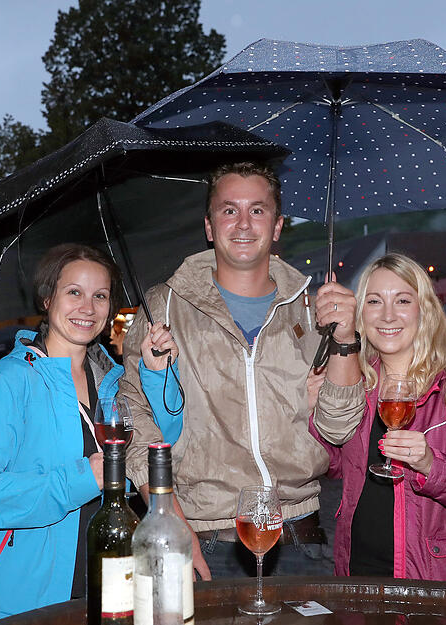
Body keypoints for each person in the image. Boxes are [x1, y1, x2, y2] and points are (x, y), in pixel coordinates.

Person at [120, 161, 365, 580]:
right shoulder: (163, 306)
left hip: (300, 541)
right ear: (210, 226)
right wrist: (169, 516)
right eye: (229, 210)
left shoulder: (314, 308)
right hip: (205, 539)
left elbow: (340, 428)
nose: (244, 224)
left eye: (258, 210)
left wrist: (345, 337)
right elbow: (134, 421)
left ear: (278, 225)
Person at [0, 243, 180, 625]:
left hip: (110, 582)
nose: (87, 308)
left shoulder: (113, 382)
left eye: (100, 296)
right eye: (74, 292)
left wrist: (157, 375)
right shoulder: (7, 383)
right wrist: (78, 480)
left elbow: (163, 443)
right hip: (24, 597)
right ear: (47, 297)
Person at [310, 253, 446, 582]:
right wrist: (318, 410)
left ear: (423, 310)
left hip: (432, 579)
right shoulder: (355, 382)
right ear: (360, 313)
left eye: (402, 300)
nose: (388, 315)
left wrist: (431, 464)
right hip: (358, 568)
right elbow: (334, 466)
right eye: (374, 301)